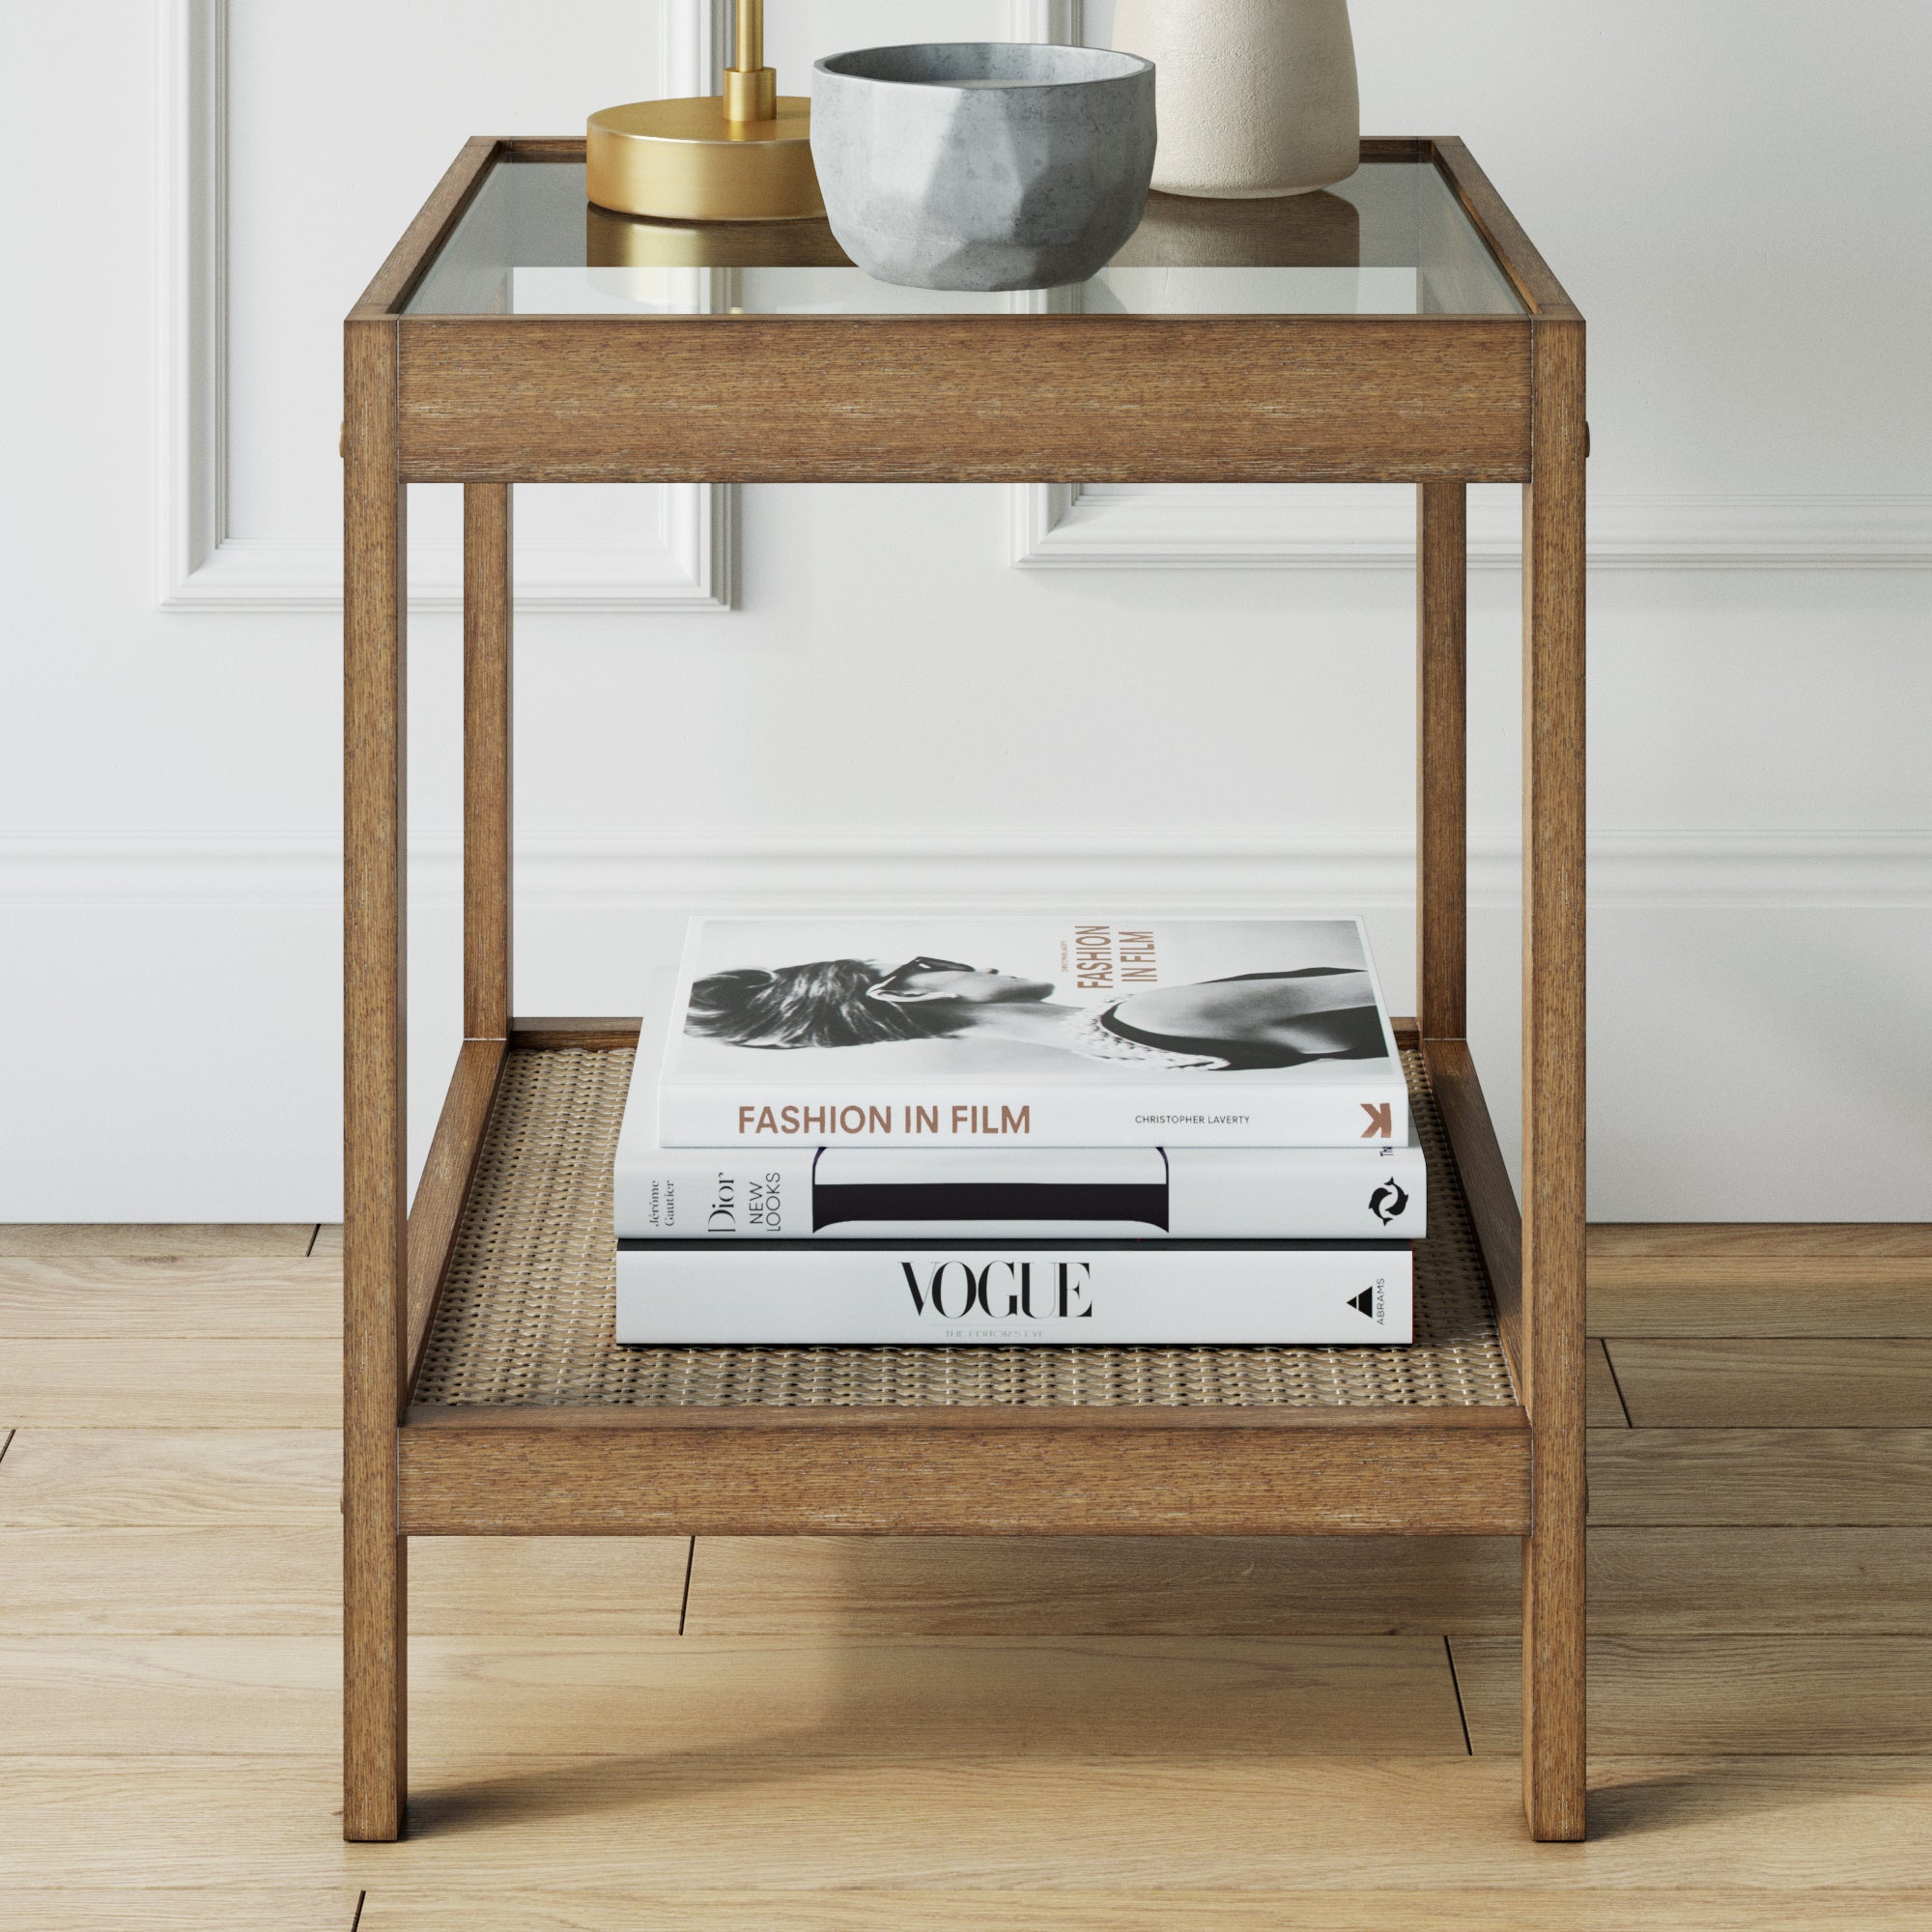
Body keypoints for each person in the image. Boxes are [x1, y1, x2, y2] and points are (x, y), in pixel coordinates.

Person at [685, 952, 1384, 1071]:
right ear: (909, 992)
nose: (983, 965)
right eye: (933, 963)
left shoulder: (1125, 1048)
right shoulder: (1156, 1011)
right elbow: (1391, 994)